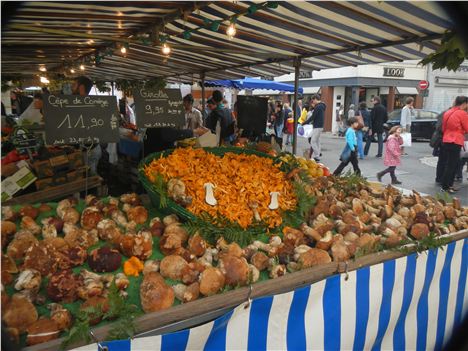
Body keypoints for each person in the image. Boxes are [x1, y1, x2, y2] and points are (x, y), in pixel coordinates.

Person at [440, 95, 468, 193]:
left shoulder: (448, 112)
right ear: (464, 103)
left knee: (449, 164)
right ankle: (446, 186)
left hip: (446, 139)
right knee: (452, 165)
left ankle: (447, 185)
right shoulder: (462, 113)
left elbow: (443, 128)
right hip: (455, 140)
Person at [303, 94, 325, 161]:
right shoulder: (322, 106)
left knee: (313, 141)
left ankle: (317, 156)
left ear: (315, 99)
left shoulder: (318, 107)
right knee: (317, 141)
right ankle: (318, 153)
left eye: (313, 100)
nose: (312, 102)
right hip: (320, 126)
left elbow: (313, 117)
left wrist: (305, 122)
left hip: (317, 126)